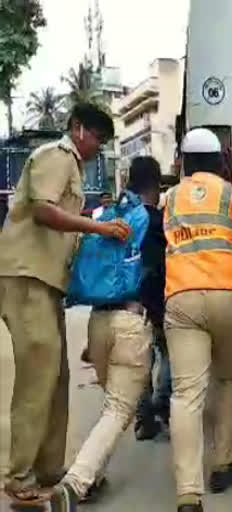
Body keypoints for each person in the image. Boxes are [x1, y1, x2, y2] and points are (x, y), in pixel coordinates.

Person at [0, 103, 128, 507]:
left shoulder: (72, 165)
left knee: (55, 376)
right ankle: (18, 478)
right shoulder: (56, 157)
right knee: (38, 376)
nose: (97, 148)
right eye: (96, 138)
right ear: (77, 129)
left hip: (46, 283)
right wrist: (98, 225)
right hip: (27, 276)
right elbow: (42, 211)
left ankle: (50, 468)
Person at [48, 156, 164, 508]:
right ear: (156, 187)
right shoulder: (153, 222)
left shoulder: (106, 216)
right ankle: (74, 483)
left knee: (111, 407)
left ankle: (91, 478)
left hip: (98, 322)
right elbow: (159, 279)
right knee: (117, 411)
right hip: (131, 323)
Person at [164, 128, 232, 512]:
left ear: (183, 161)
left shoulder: (170, 198)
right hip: (227, 293)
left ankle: (188, 492)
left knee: (186, 394)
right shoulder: (231, 194)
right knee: (229, 379)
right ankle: (222, 463)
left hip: (181, 296)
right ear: (218, 160)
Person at [134, 158, 172, 441]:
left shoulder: (120, 217)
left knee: (140, 360)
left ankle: (144, 417)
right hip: (158, 298)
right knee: (169, 352)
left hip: (128, 301)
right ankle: (163, 402)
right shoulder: (159, 222)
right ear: (155, 185)